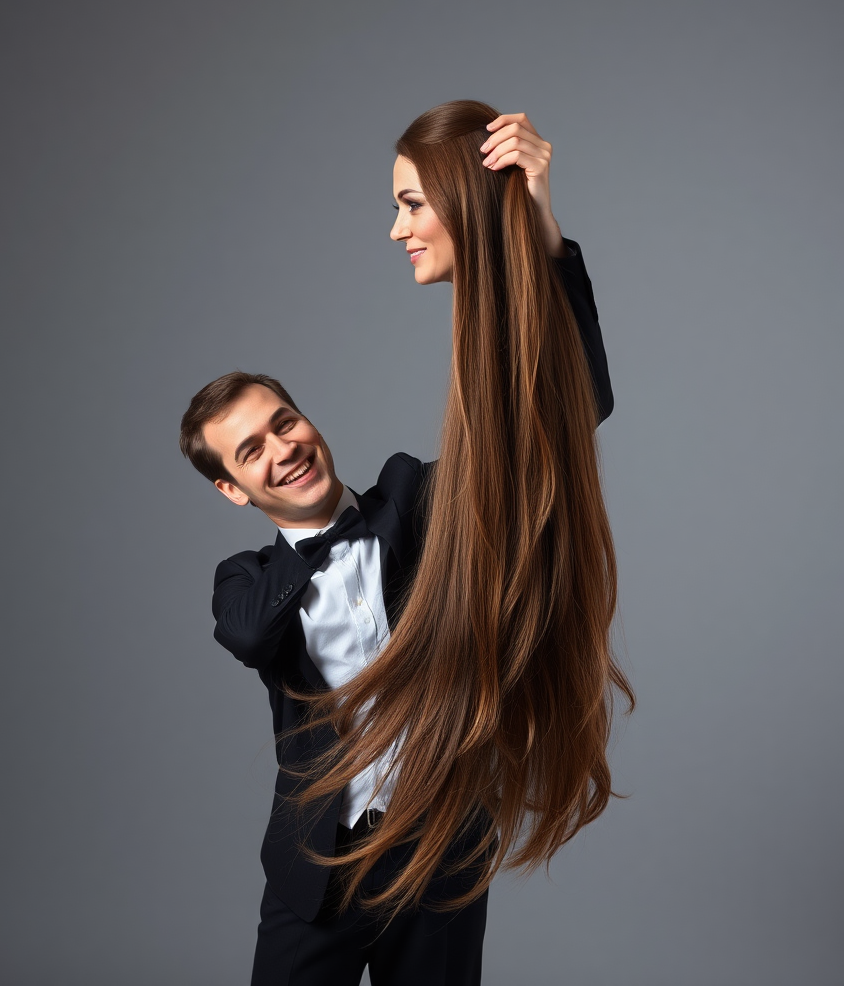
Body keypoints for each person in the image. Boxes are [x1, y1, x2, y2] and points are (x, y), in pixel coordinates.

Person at [178, 102, 629, 986]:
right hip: (322, 875)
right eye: (252, 451)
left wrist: (539, 232)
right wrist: (310, 542)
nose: (284, 448)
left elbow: (566, 410)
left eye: (285, 421)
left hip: (442, 858)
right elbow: (250, 637)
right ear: (232, 488)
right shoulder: (248, 582)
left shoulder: (416, 503)